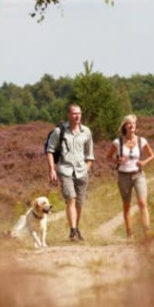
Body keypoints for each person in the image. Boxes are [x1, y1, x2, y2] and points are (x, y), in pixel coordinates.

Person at [46, 103, 95, 242]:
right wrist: (52, 169)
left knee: (79, 202)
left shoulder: (86, 132)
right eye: (74, 113)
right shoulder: (59, 131)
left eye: (79, 113)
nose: (77, 115)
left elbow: (90, 154)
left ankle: (76, 228)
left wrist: (87, 168)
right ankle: (73, 231)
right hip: (65, 169)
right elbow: (49, 150)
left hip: (81, 171)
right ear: (68, 114)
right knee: (71, 199)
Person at [106, 114, 154, 240]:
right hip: (123, 176)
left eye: (133, 123)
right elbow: (108, 157)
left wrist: (144, 162)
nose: (131, 125)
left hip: (138, 174)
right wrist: (117, 161)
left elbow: (151, 155)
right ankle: (130, 235)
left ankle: (147, 231)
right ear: (125, 126)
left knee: (142, 203)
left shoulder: (141, 141)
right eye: (129, 123)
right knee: (127, 205)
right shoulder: (117, 142)